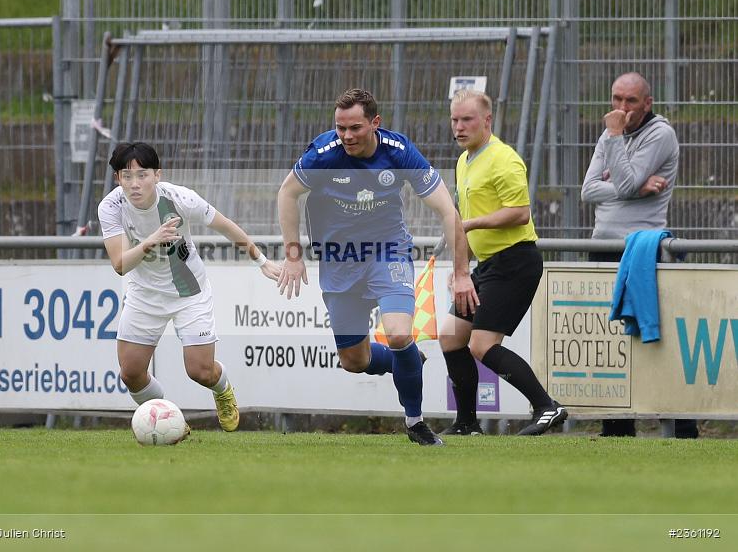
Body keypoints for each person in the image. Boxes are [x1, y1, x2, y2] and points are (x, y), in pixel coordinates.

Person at [277, 88, 479, 446]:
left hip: (388, 252)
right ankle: (407, 360)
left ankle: (415, 422)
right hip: (339, 261)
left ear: (375, 123)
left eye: (355, 128)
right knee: (354, 360)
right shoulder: (323, 153)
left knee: (399, 333)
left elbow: (448, 211)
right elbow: (287, 193)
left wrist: (462, 273)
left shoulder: (398, 152)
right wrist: (293, 254)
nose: (347, 136)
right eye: (340, 128)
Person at [98, 142, 282, 434]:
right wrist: (150, 241)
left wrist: (261, 260)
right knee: (131, 373)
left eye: (142, 175)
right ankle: (167, 420)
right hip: (144, 295)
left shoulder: (181, 198)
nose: (134, 184)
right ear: (117, 179)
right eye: (126, 176)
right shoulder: (110, 207)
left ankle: (222, 390)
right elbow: (120, 264)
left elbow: (225, 226)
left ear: (157, 175)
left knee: (200, 371)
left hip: (189, 292)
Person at [438, 89, 567, 436]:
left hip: (515, 262)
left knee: (481, 344)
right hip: (488, 265)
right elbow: (461, 219)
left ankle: (547, 406)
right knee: (451, 337)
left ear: (487, 120)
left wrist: (471, 224)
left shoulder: (504, 158)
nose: (459, 127)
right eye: (454, 119)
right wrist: (460, 269)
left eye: (467, 119)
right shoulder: (465, 161)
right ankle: (467, 423)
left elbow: (520, 212)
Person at [581, 71, 698, 439]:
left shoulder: (659, 133)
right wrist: (629, 185)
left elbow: (626, 183)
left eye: (630, 101)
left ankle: (682, 426)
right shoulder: (609, 132)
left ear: (648, 103)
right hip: (603, 246)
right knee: (610, 342)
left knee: (653, 340)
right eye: (616, 99)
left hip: (642, 250)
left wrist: (621, 173)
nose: (621, 109)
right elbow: (587, 190)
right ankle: (617, 426)